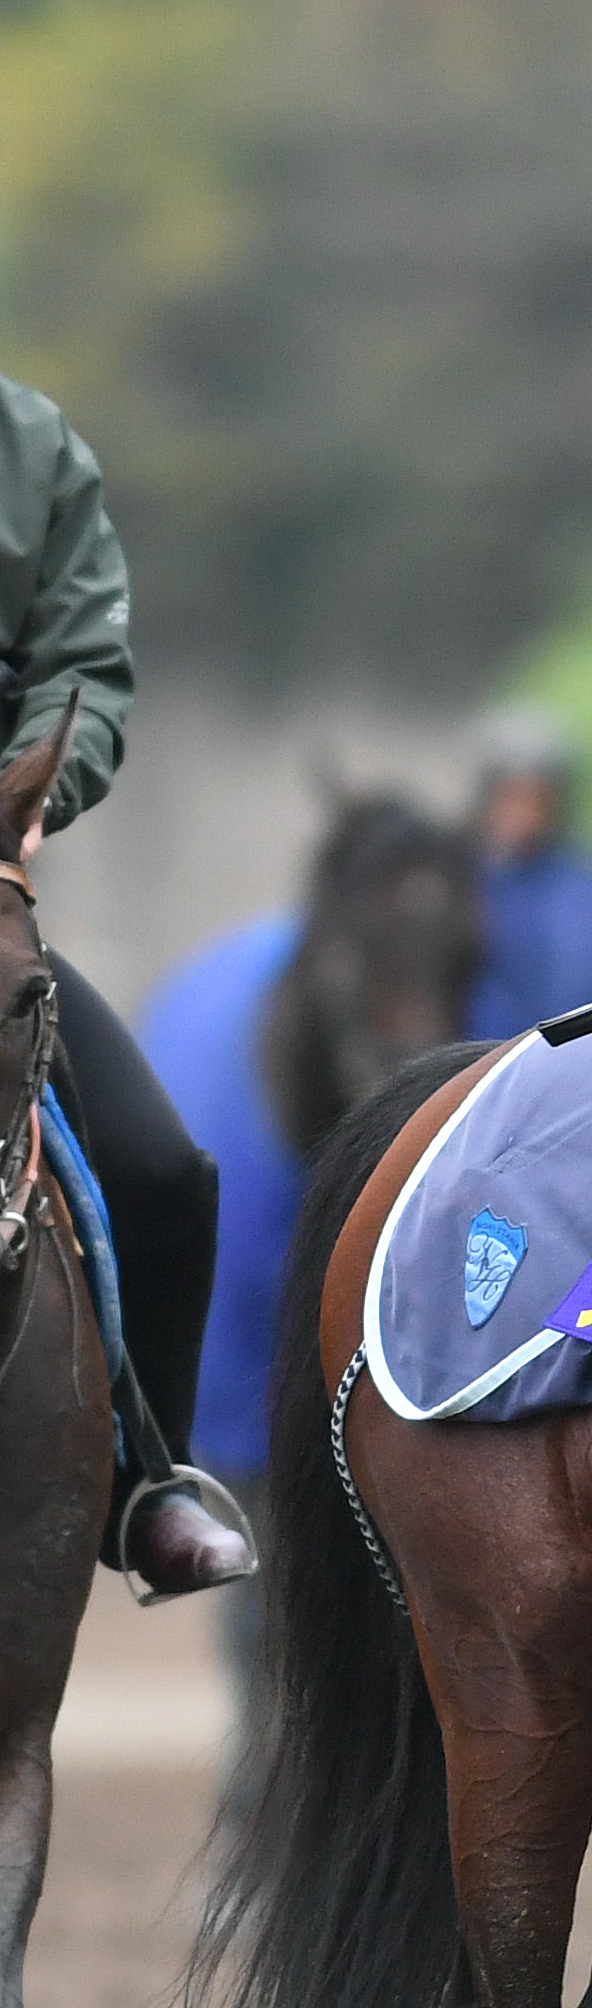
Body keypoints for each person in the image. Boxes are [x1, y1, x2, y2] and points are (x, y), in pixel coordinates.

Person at [0, 374, 254, 1596]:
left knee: (161, 1169)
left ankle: (147, 1479)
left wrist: (34, 788)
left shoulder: (31, 445)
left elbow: (80, 666)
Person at [463, 705, 592, 1039]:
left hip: (591, 1064)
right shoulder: (458, 887)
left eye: (541, 799)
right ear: (486, 799)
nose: (528, 814)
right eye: (513, 796)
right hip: (484, 1071)